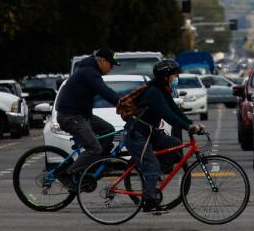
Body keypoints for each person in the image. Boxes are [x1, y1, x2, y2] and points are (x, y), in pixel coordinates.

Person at [123, 58, 203, 213]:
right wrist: (188, 127)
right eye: (174, 75)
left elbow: (175, 109)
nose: (177, 78)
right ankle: (148, 202)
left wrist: (191, 123)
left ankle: (157, 171)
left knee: (173, 142)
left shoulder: (162, 90)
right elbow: (168, 115)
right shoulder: (154, 93)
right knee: (152, 167)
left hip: (149, 132)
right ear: (165, 76)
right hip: (137, 134)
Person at [54, 49, 120, 187]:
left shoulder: (90, 71)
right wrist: (123, 103)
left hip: (82, 115)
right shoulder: (89, 72)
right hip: (70, 116)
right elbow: (105, 91)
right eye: (111, 64)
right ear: (102, 61)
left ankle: (95, 164)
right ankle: (67, 174)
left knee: (108, 130)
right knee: (94, 148)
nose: (111, 69)